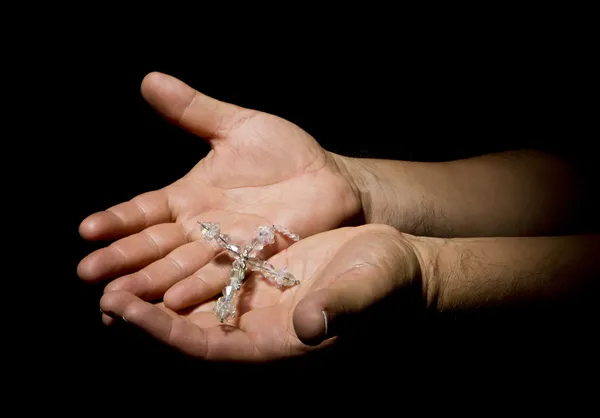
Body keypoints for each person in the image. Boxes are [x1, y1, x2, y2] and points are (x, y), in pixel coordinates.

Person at [77, 72, 598, 362]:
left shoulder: (247, 259)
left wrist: (435, 274)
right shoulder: (245, 249)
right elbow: (574, 182)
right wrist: (359, 188)